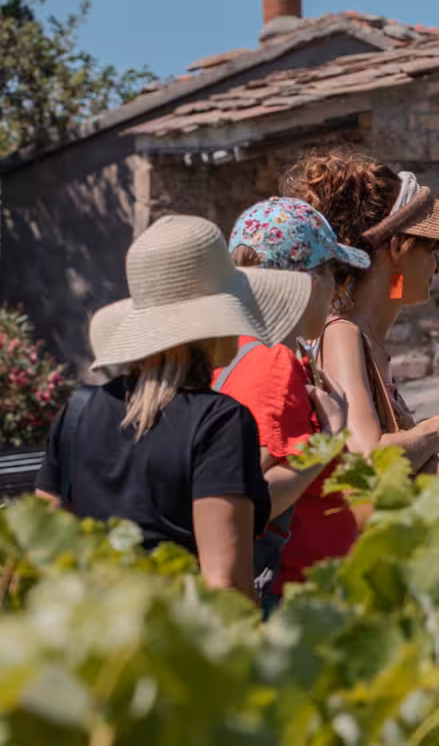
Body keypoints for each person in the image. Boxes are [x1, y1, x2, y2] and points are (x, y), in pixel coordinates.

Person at [35, 215, 310, 599]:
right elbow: (225, 585)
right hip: (176, 645)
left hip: (94, 643)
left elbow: (40, 547)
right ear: (213, 321)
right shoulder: (220, 421)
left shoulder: (76, 412)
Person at [285, 150, 439, 470]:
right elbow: (369, 455)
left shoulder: (363, 336)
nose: (437, 266)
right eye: (432, 248)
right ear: (397, 248)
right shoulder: (343, 334)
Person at [220, 198, 365, 603]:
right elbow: (250, 498)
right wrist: (330, 440)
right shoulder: (271, 364)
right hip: (290, 598)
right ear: (311, 284)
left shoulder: (238, 351)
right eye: (336, 276)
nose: (339, 293)